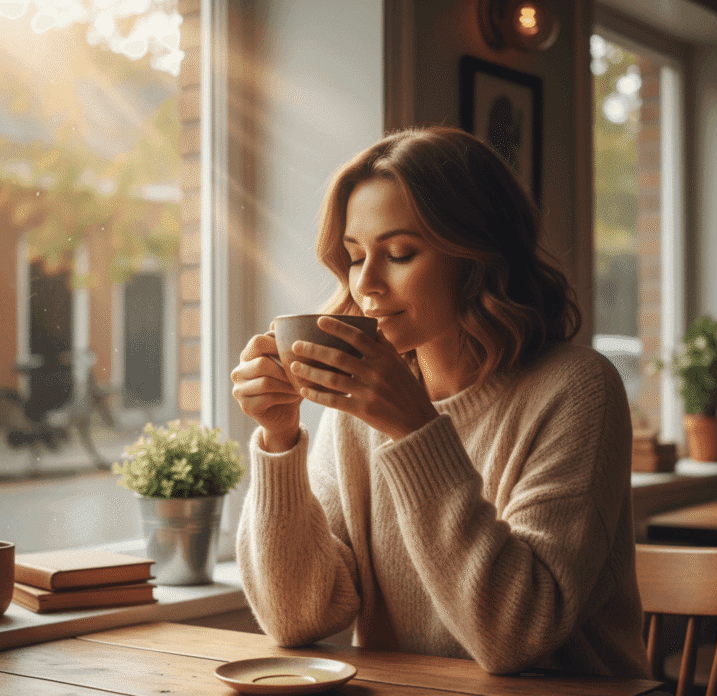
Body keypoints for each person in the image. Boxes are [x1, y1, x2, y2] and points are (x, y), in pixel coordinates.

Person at [231, 125, 651, 678]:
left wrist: (415, 430)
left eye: (401, 253)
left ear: (477, 256)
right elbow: (297, 619)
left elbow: (516, 634)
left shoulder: (576, 389)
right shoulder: (360, 405)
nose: (367, 286)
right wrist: (280, 439)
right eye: (356, 257)